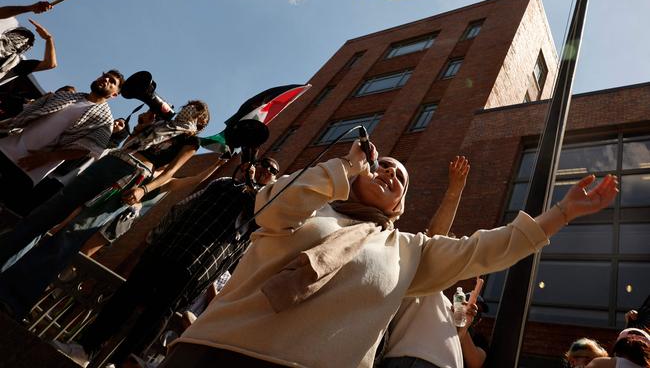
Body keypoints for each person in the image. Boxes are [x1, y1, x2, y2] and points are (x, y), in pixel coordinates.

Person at [159, 139, 618, 368]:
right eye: (384, 168)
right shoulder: (311, 203)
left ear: (399, 207)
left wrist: (562, 212)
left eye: (401, 181)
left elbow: (483, 251)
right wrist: (346, 164)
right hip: (212, 353)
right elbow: (271, 205)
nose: (393, 176)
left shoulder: (408, 250)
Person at [53, 157, 280, 366]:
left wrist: (252, 183)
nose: (265, 169)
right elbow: (182, 207)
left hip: (196, 265)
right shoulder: (222, 183)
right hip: (168, 246)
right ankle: (83, 350)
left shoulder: (268, 203)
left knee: (156, 315)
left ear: (276, 180)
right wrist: (155, 237)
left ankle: (119, 363)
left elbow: (259, 215)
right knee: (126, 296)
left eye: (272, 170)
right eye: (263, 164)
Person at [0, 100, 210, 319]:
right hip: (110, 163)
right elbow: (131, 143)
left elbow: (169, 173)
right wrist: (142, 126)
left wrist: (144, 190)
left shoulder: (191, 141)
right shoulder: (160, 124)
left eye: (195, 109)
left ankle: (14, 294)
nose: (187, 109)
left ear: (201, 121)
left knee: (72, 233)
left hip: (132, 176)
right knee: (48, 212)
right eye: (187, 105)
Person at [381, 156, 472, 368]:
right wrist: (455, 190)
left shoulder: (443, 298)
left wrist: (462, 323)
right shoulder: (416, 266)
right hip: (412, 359)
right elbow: (436, 235)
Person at [0, 70, 123, 212]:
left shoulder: (105, 121)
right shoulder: (65, 96)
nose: (106, 79)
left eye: (112, 81)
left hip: (30, 167)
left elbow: (85, 149)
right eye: (105, 76)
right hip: (7, 147)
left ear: (114, 95)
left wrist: (48, 157)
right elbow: (25, 115)